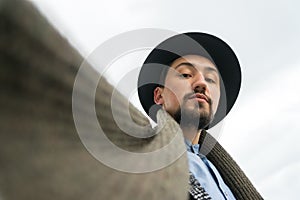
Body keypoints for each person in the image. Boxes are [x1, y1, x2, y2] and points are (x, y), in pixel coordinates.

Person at [138, 32, 262, 199]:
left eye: (211, 79)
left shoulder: (224, 174)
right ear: (159, 96)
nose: (202, 83)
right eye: (186, 74)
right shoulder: (138, 163)